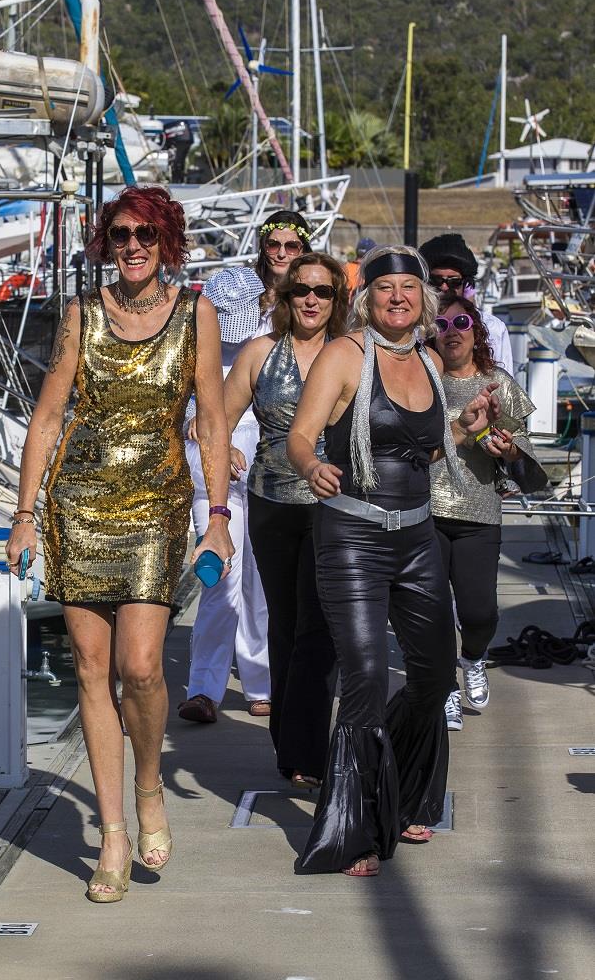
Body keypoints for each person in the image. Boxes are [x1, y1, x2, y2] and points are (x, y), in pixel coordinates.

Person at [5, 185, 234, 903]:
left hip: (156, 506)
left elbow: (212, 420)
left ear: (167, 240)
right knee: (90, 671)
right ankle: (111, 834)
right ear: (106, 243)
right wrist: (25, 513)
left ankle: (148, 785)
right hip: (80, 502)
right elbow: (47, 417)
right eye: (119, 235)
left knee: (141, 668)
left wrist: (219, 516)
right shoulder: (81, 315)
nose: (132, 246)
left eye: (145, 234)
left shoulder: (197, 313)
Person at [287, 244, 501, 877]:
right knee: (365, 678)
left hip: (415, 537)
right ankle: (353, 828)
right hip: (351, 538)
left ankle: (401, 785)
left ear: (425, 299)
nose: (399, 297)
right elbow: (302, 435)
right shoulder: (345, 354)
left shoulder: (432, 361)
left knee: (435, 675)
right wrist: (312, 465)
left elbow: (424, 455)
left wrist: (465, 429)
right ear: (367, 298)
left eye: (410, 288)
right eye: (386, 289)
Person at [224, 253, 348, 788]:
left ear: (337, 300)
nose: (312, 300)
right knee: (285, 621)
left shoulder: (351, 353)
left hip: (334, 503)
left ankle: (308, 751)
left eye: (323, 291)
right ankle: (288, 742)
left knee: (321, 627)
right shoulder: (258, 353)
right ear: (285, 297)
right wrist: (224, 447)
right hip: (272, 503)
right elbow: (213, 422)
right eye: (301, 291)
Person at [430, 292, 547, 731]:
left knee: (480, 611)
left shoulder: (497, 381)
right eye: (440, 326)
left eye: (460, 324)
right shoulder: (421, 379)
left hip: (479, 508)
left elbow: (524, 450)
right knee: (433, 608)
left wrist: (505, 445)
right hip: (425, 507)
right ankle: (444, 688)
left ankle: (473, 657)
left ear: (475, 330)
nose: (451, 333)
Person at [179, 267, 271, 724]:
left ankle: (260, 680)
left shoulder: (271, 343)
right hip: (210, 480)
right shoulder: (194, 344)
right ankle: (204, 688)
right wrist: (200, 428)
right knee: (220, 580)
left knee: (260, 584)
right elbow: (179, 409)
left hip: (269, 476)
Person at [419, 233, 514, 376]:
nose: (444, 287)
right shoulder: (412, 327)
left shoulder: (493, 327)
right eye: (436, 281)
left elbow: (506, 381)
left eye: (454, 282)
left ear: (465, 285)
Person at [255, 209, 313, 330]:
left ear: (303, 250)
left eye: (292, 246)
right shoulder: (245, 290)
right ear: (263, 247)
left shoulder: (310, 298)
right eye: (273, 245)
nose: (281, 254)